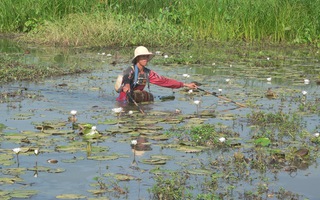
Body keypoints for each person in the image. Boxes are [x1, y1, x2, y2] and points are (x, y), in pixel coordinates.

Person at [116, 46, 197, 103]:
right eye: (143, 57)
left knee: (149, 98)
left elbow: (164, 81)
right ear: (137, 58)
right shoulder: (131, 70)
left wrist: (185, 84)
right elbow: (127, 76)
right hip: (125, 98)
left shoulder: (148, 73)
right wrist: (127, 84)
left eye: (146, 57)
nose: (145, 59)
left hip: (137, 96)